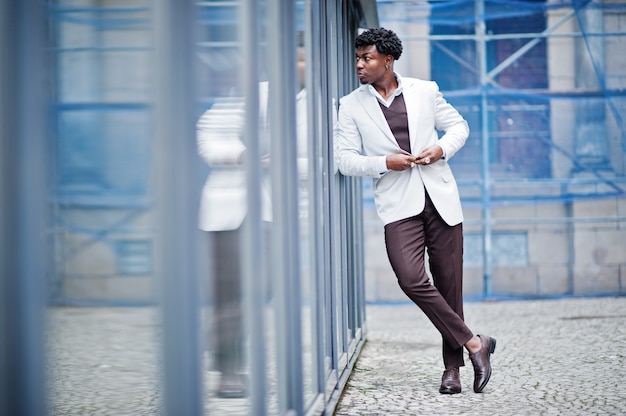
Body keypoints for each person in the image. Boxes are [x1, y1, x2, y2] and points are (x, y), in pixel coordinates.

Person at [334, 27, 496, 394]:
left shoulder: (426, 90)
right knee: (410, 277)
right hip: (397, 204)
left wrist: (440, 149)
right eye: (357, 58)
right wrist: (384, 162)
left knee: (449, 286)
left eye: (367, 58)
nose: (359, 64)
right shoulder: (351, 104)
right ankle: (475, 343)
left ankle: (452, 371)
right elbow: (344, 160)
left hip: (439, 198)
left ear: (388, 60)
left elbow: (458, 126)